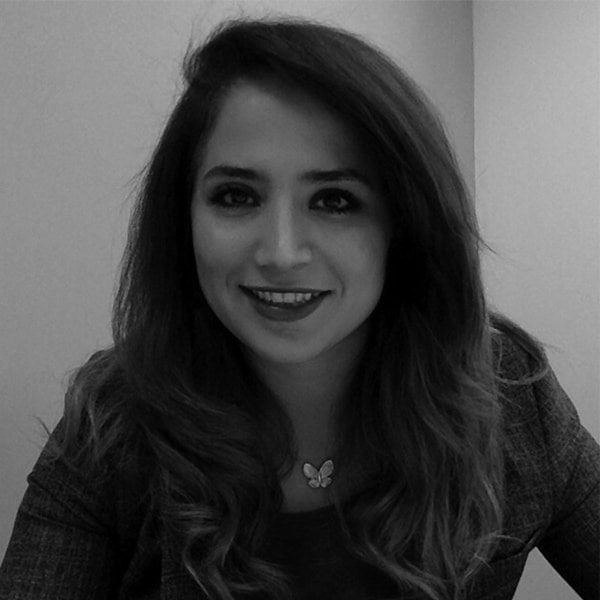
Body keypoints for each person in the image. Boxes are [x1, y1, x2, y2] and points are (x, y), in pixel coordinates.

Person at [0, 17, 598, 600]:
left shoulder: (511, 395)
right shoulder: (112, 425)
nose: (281, 253)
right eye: (236, 196)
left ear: (406, 224)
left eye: (334, 200)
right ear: (183, 219)